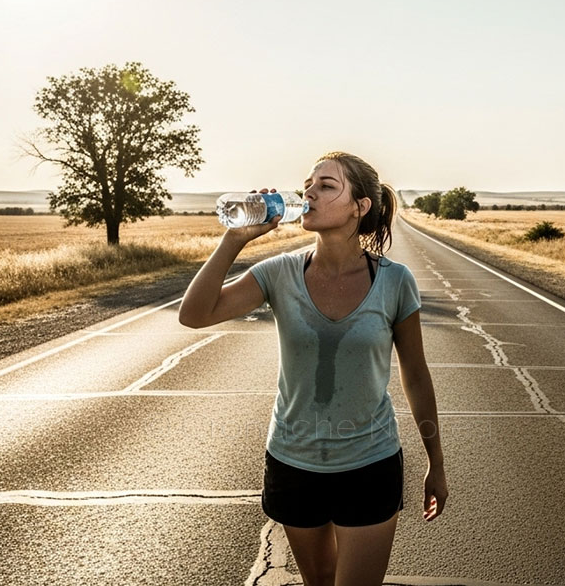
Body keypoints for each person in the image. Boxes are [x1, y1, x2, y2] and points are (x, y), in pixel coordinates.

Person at [178, 152, 447, 586]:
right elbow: (194, 314)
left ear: (360, 206)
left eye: (326, 185)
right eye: (308, 184)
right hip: (292, 462)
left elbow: (416, 375)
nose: (309, 192)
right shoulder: (278, 273)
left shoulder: (395, 282)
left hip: (369, 463)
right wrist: (234, 239)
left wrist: (436, 462)